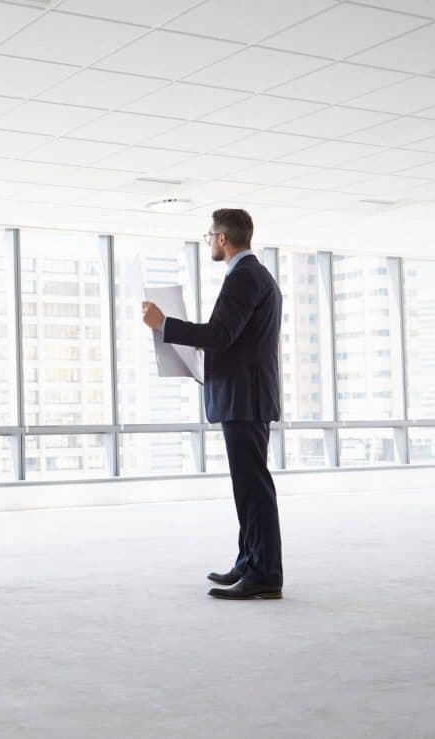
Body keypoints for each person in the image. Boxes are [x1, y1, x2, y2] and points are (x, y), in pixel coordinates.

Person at [142, 209, 284, 600]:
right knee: (248, 486)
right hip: (245, 395)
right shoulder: (252, 275)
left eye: (210, 236)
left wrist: (164, 324)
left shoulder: (246, 277)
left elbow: (221, 335)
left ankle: (265, 574)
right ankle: (249, 560)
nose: (209, 241)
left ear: (223, 238)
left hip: (245, 397)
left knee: (253, 487)